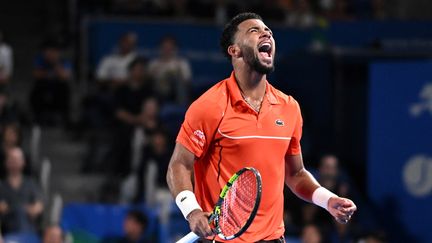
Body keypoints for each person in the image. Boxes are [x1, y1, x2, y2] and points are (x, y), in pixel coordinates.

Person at [166, 12, 356, 242]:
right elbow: (179, 165)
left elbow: (295, 174)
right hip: (222, 239)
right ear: (234, 50)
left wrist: (328, 201)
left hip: (273, 238)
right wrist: (192, 210)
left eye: (269, 31)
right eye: (254, 30)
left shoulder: (289, 107)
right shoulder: (209, 106)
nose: (267, 33)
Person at [0, 147, 44, 234]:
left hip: (29, 224)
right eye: (12, 159)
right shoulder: (1, 185)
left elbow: (38, 207)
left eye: (17, 159)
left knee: (21, 213)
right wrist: (24, 208)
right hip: (7, 228)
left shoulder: (31, 183)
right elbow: (1, 208)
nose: (15, 162)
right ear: (6, 162)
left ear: (23, 162)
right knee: (18, 213)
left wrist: (13, 207)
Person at [29, 40, 72, 125]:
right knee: (37, 88)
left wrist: (55, 63)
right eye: (48, 51)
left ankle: (65, 117)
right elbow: (36, 74)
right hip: (44, 86)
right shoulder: (40, 59)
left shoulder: (63, 61)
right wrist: (48, 75)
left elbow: (65, 76)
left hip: (58, 88)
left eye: (53, 51)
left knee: (64, 88)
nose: (51, 54)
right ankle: (37, 116)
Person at [148, 36, 191, 105]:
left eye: (170, 48)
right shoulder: (154, 64)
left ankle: (181, 106)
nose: (167, 50)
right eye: (164, 47)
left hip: (175, 93)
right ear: (160, 48)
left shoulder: (181, 63)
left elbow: (187, 81)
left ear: (175, 49)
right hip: (157, 92)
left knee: (176, 76)